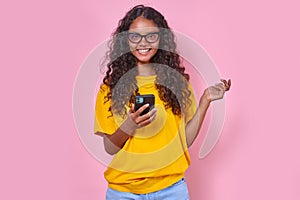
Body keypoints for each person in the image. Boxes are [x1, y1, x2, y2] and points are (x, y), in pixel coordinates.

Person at [94, 5, 231, 200]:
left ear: (161, 38)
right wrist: (130, 125)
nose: (143, 42)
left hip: (171, 190)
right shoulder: (110, 88)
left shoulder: (177, 83)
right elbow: (110, 148)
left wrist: (205, 101)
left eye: (151, 36)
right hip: (124, 192)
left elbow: (183, 142)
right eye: (135, 36)